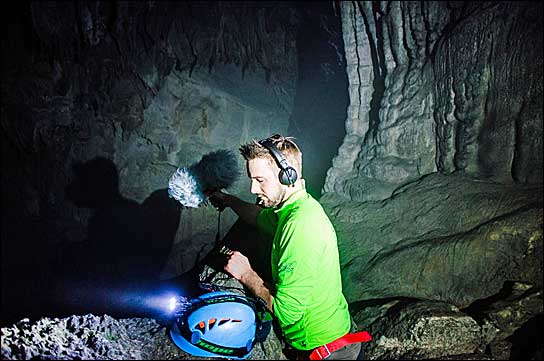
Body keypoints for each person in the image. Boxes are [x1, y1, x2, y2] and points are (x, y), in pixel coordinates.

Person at [208, 134, 370, 360]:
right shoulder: (293, 209)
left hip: (325, 351)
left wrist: (245, 273)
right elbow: (257, 217)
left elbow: (285, 314)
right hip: (325, 341)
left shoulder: (300, 226)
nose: (254, 189)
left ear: (287, 176)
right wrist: (228, 200)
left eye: (260, 180)